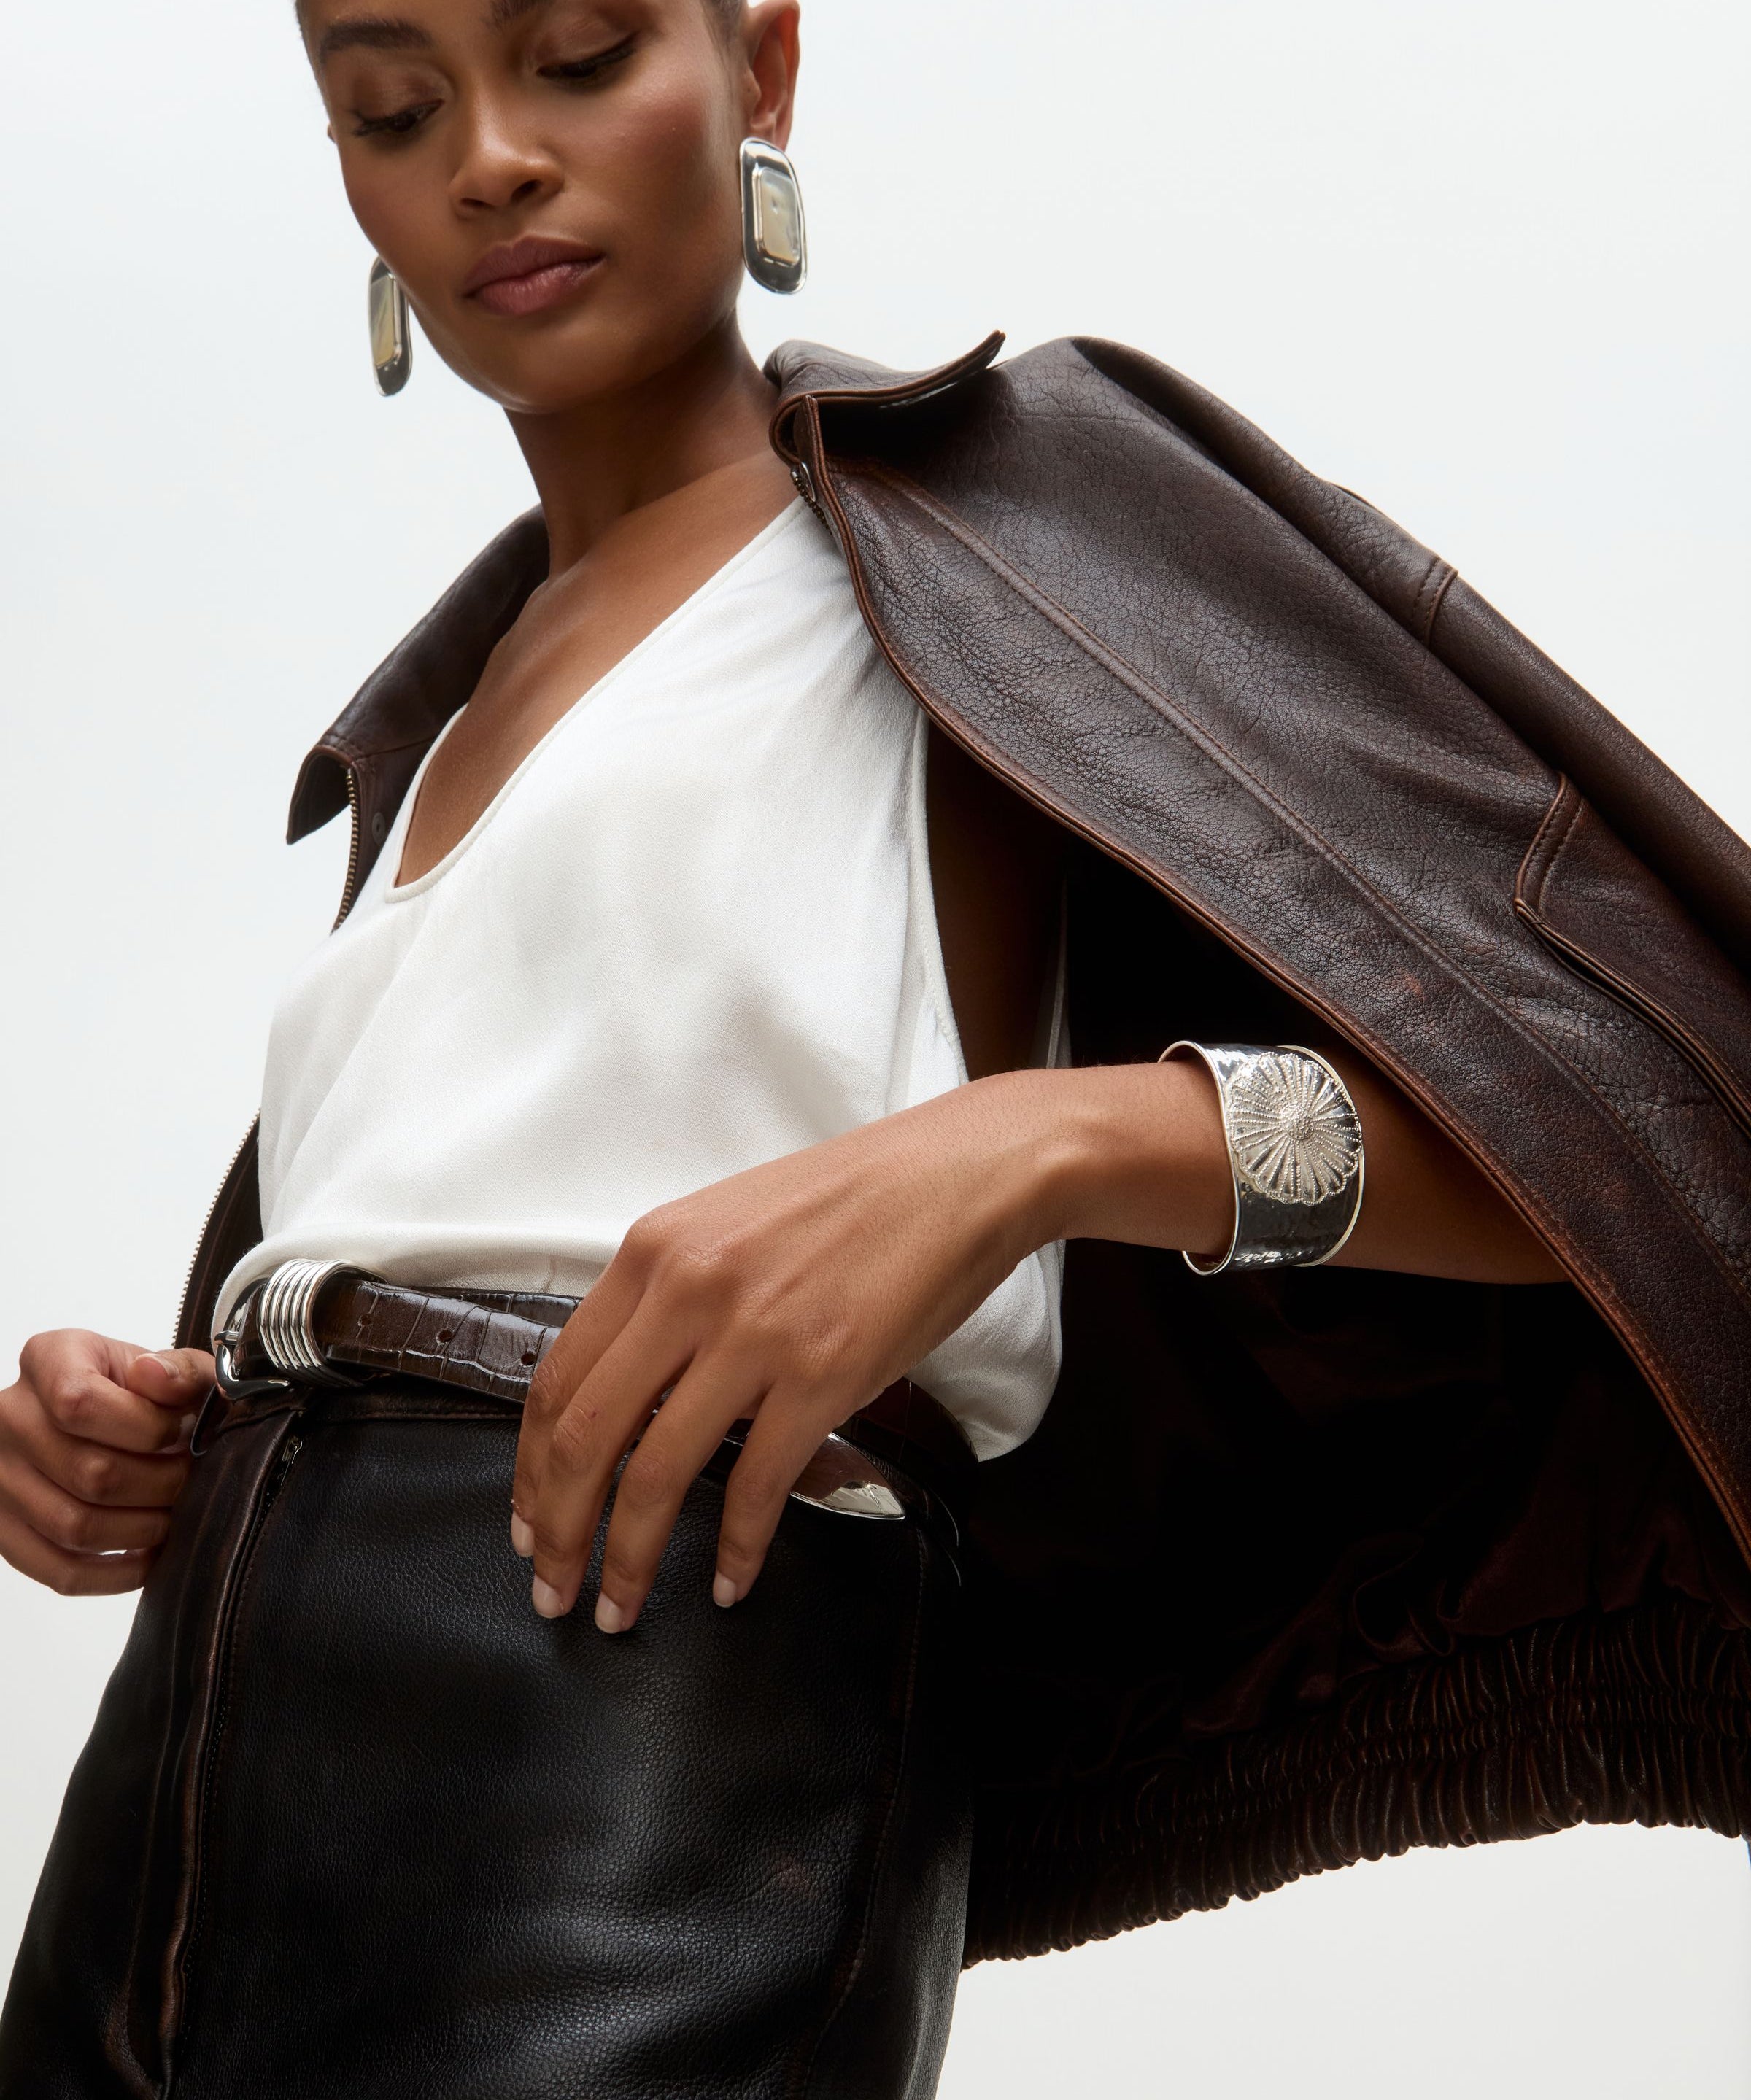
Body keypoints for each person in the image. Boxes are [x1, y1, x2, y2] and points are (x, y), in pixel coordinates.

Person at [4, 0, 1750, 2093]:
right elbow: (486, 1195)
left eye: (571, 52)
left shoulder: (995, 514)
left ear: (764, 70)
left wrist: (1037, 1145)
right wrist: (167, 1410)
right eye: (392, 106)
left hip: (634, 1736)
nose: (484, 157)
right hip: (171, 1802)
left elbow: (1634, 1109)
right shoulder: (439, 718)